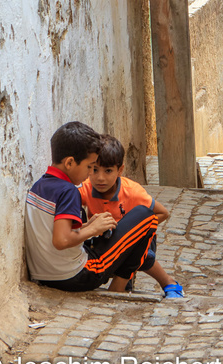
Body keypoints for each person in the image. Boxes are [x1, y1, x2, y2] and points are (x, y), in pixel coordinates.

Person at [25, 121, 158, 293]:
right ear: (70, 163)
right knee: (146, 216)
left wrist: (87, 225)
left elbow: (55, 230)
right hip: (77, 276)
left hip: (43, 274)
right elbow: (61, 240)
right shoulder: (69, 191)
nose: (90, 174)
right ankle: (118, 288)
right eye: (89, 167)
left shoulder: (39, 186)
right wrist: (92, 229)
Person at [78, 134, 183, 298]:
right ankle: (124, 283)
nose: (100, 178)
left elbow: (163, 212)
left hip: (138, 238)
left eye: (108, 171)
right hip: (105, 239)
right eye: (94, 170)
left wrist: (132, 230)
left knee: (144, 256)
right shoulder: (87, 188)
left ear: (120, 170)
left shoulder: (133, 192)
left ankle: (169, 283)